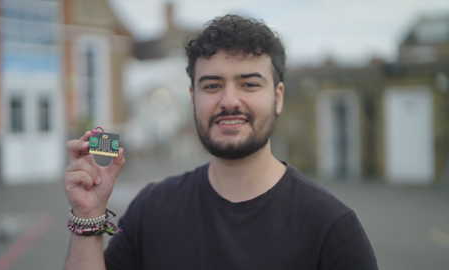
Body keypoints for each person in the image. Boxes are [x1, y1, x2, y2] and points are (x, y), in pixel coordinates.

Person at [63, 15, 378, 270]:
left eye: (249, 84)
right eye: (212, 85)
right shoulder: (151, 207)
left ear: (278, 98)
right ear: (193, 99)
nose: (229, 101)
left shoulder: (331, 228)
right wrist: (89, 215)